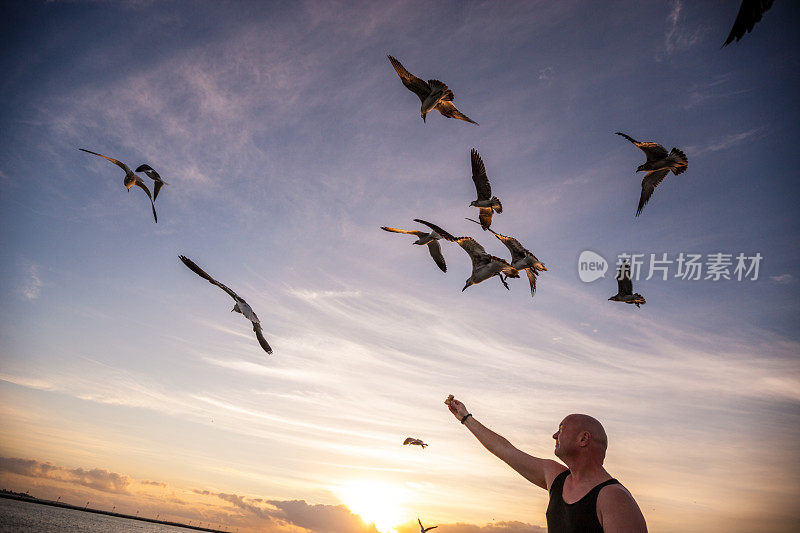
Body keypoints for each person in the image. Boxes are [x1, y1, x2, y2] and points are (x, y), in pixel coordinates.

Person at [446, 397, 647, 532]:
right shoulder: (555, 476)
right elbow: (505, 451)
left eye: (561, 429)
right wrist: (465, 418)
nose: (554, 435)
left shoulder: (613, 497)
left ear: (583, 439)